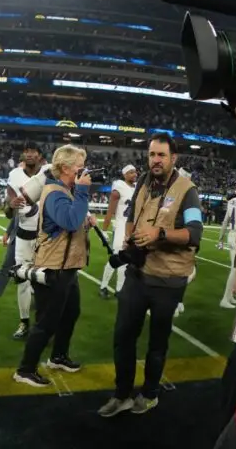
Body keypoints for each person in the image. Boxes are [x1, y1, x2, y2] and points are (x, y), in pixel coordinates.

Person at [98, 133, 203, 417]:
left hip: (168, 280)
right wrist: (130, 239)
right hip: (138, 273)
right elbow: (132, 215)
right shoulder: (144, 180)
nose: (155, 160)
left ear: (173, 158)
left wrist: (160, 234)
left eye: (161, 155)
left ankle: (150, 393)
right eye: (152, 154)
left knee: (157, 343)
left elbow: (195, 233)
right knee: (123, 336)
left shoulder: (188, 190)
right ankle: (122, 395)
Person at [14, 144, 92, 387]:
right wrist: (83, 192)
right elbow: (69, 221)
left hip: (66, 267)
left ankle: (58, 356)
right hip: (53, 267)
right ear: (66, 168)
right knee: (46, 323)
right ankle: (25, 370)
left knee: (70, 313)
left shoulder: (64, 190)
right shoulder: (55, 192)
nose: (84, 171)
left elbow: (70, 224)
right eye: (79, 166)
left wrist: (85, 221)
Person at [6, 142, 43, 340]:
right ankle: (24, 322)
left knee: (44, 282)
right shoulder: (14, 175)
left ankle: (43, 324)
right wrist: (11, 205)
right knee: (21, 280)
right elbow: (7, 212)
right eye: (26, 151)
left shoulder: (47, 173)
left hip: (45, 237)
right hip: (22, 235)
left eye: (33, 151)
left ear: (39, 156)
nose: (29, 154)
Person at [99, 165, 138, 299]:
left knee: (126, 261)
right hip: (121, 227)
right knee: (116, 259)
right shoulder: (119, 187)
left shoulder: (137, 187)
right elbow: (110, 211)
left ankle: (119, 290)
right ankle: (103, 286)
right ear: (124, 175)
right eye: (131, 172)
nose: (134, 174)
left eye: (135, 172)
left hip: (131, 229)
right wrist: (104, 230)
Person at [219, 188, 236, 308]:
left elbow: (225, 221)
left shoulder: (231, 202)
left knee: (235, 268)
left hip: (232, 235)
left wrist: (220, 238)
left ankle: (230, 296)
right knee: (234, 268)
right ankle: (225, 299)